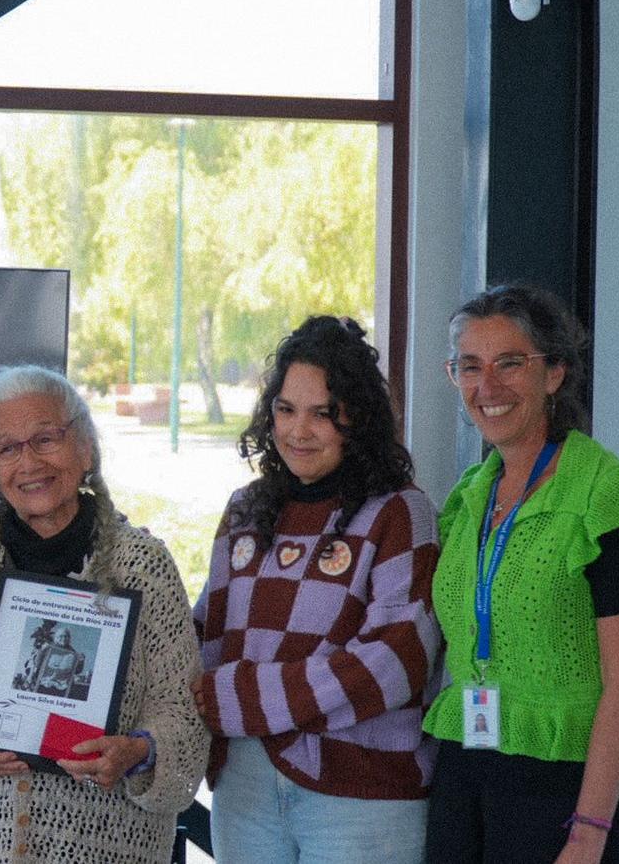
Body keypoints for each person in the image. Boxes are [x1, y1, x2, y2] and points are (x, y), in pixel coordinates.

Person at [0, 364, 209, 864]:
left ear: (85, 448)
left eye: (46, 439)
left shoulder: (144, 567)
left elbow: (180, 710)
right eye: (8, 448)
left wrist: (139, 751)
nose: (29, 462)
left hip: (104, 848)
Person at [424, 285, 619, 862]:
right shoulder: (469, 499)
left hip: (569, 791)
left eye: (509, 363)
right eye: (469, 367)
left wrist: (588, 832)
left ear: (556, 373)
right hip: (469, 775)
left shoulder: (607, 498)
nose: (486, 387)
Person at [190, 316, 442, 863]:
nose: (298, 431)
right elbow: (206, 633)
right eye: (285, 410)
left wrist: (236, 697)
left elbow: (396, 661)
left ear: (358, 418)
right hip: (247, 782)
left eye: (322, 414)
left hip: (363, 793)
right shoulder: (246, 510)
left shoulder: (400, 511)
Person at [25, 624, 86, 697]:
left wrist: (81, 661)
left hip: (62, 687)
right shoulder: (48, 647)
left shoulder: (73, 653)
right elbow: (37, 664)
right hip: (44, 683)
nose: (63, 638)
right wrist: (41, 651)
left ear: (69, 638)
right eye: (61, 636)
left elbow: (77, 671)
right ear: (56, 637)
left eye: (66, 636)